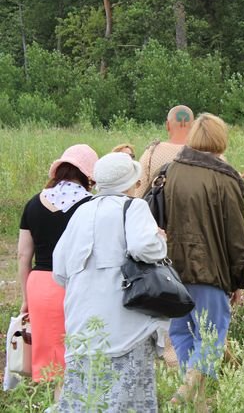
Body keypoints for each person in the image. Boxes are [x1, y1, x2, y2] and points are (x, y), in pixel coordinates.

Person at [52, 152, 168, 412]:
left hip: (83, 325)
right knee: (128, 398)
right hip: (127, 325)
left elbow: (59, 270)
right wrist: (160, 240)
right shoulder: (134, 207)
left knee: (85, 398)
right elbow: (145, 248)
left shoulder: (81, 212)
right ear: (131, 181)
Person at [163, 113, 244, 406]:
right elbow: (236, 236)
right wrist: (240, 277)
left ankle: (197, 401)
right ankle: (186, 392)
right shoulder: (226, 178)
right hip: (211, 272)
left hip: (173, 269)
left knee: (181, 331)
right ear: (220, 138)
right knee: (212, 336)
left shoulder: (171, 171)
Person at [17, 144, 99, 384]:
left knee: (48, 357)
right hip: (76, 283)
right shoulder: (90, 206)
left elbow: (23, 255)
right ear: (88, 176)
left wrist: (25, 298)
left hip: (40, 283)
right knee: (78, 353)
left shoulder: (33, 203)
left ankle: (52, 401)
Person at [135, 105, 194, 197]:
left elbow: (138, 191)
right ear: (194, 126)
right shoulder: (207, 153)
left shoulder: (151, 153)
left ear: (167, 125)